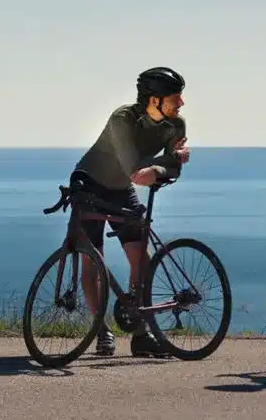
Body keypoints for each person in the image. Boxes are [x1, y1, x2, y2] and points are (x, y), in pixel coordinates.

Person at [69, 67, 190, 357]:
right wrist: (168, 160)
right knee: (92, 261)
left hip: (121, 188)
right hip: (90, 184)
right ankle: (102, 331)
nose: (182, 103)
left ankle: (140, 331)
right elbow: (136, 170)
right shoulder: (123, 119)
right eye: (175, 97)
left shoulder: (176, 125)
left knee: (141, 259)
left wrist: (160, 167)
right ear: (154, 100)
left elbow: (173, 170)